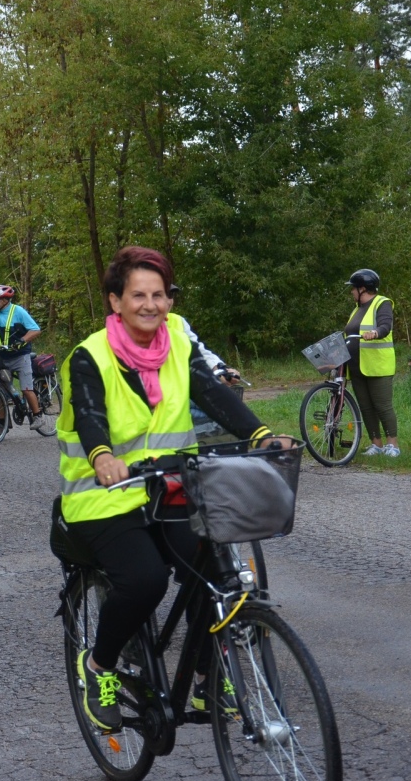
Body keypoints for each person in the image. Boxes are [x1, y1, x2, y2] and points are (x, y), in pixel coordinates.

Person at [59, 246, 279, 732]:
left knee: (216, 571)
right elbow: (92, 415)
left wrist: (260, 434)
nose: (151, 304)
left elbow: (213, 394)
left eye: (159, 294)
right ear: (116, 301)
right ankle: (98, 668)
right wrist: (102, 457)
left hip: (171, 488)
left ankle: (205, 677)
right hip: (104, 498)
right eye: (138, 294)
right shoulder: (90, 355)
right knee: (144, 581)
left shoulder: (177, 341)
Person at [344, 269, 399, 456]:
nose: (351, 292)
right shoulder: (357, 309)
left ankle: (393, 444)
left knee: (383, 406)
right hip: (357, 366)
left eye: (353, 288)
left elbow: (385, 325)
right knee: (366, 407)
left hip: (377, 366)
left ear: (362, 289)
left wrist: (375, 333)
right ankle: (376, 443)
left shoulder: (381, 303)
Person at [0, 285, 46, 429]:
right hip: (1, 357)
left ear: (4, 300)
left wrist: (22, 340)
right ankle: (2, 424)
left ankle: (37, 416)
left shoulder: (18, 311)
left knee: (26, 388)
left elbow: (35, 330)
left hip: (20, 356)